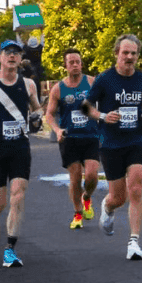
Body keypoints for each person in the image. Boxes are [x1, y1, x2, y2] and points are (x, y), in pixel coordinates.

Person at [83, 34, 142, 260]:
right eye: (125, 52)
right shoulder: (105, 80)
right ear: (117, 53)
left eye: (133, 53)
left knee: (136, 188)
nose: (129, 57)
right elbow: (85, 106)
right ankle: (107, 206)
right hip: (111, 143)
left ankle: (134, 242)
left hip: (136, 141)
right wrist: (103, 116)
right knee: (119, 197)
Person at [0, 39, 44, 268]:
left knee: (18, 193)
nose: (12, 56)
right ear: (0, 58)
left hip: (20, 147)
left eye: (16, 53)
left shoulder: (29, 84)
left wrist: (37, 117)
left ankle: (10, 249)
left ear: (21, 59)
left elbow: (36, 108)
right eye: (7, 52)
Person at [44, 48, 100, 230]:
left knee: (91, 175)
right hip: (70, 139)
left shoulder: (91, 82)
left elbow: (106, 101)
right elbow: (50, 115)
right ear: (66, 65)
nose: (75, 65)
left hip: (91, 136)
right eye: (71, 62)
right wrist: (57, 130)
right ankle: (77, 214)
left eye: (78, 61)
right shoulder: (58, 89)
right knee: (75, 179)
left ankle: (87, 197)